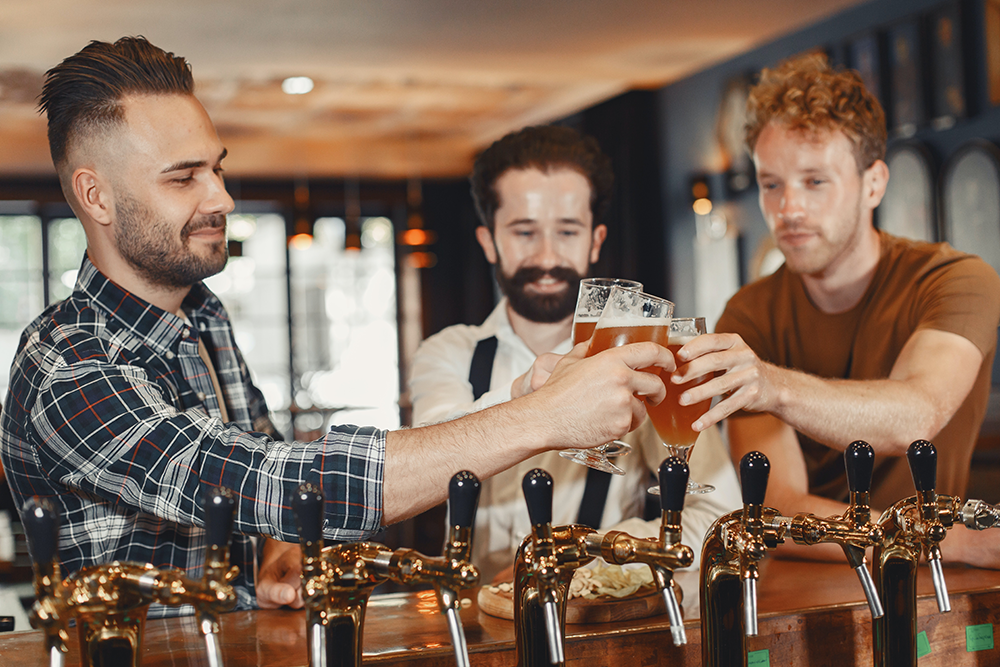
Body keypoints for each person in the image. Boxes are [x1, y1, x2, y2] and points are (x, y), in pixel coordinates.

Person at [0, 37, 677, 617]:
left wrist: (277, 545)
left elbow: (256, 485)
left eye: (218, 167)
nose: (223, 198)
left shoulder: (201, 317)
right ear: (96, 196)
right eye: (184, 178)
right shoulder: (69, 366)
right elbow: (268, 478)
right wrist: (541, 416)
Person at [673, 53, 1000, 565]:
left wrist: (772, 385)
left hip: (939, 588)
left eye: (815, 181)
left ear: (874, 183)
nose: (788, 210)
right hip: (815, 584)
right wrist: (955, 541)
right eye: (771, 184)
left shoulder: (956, 280)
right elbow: (778, 511)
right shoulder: (750, 314)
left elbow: (914, 416)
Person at [409, 125, 740, 583]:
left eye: (567, 231)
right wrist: (528, 394)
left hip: (599, 621)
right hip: (477, 621)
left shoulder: (646, 354)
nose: (547, 256)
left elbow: (719, 517)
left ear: (596, 240)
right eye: (524, 232)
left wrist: (592, 559)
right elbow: (422, 466)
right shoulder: (448, 352)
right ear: (489, 241)